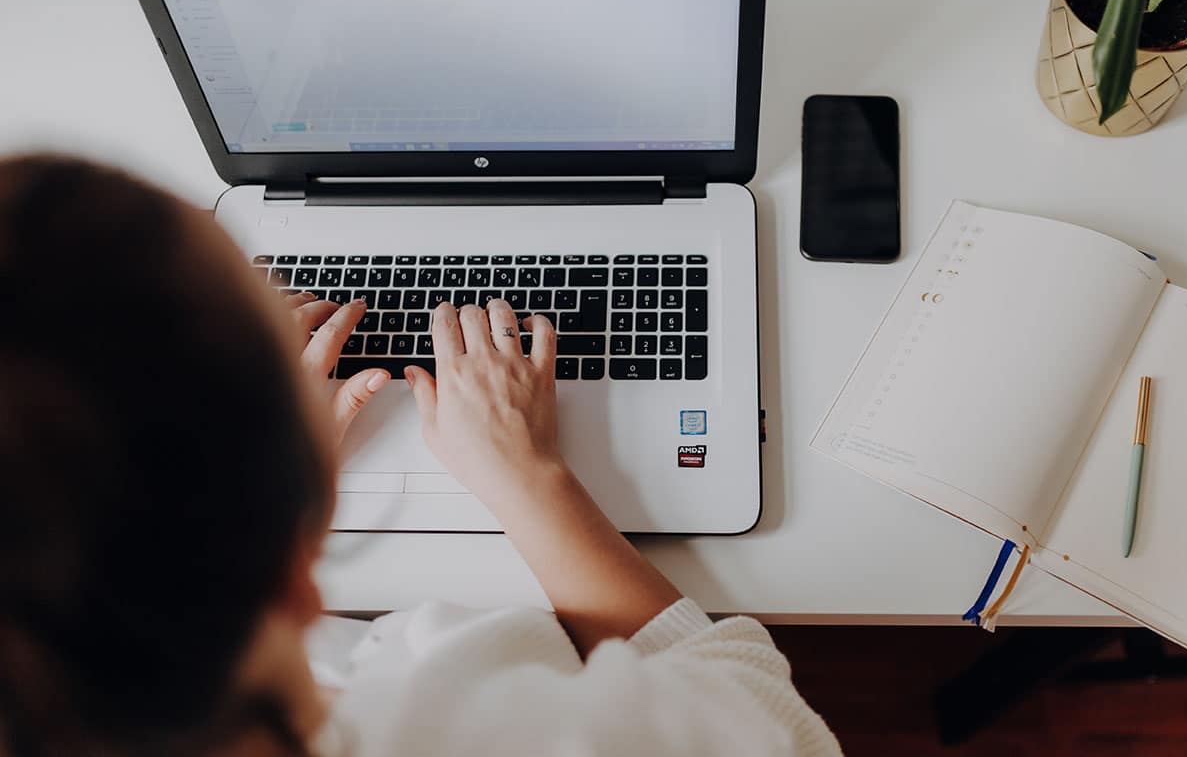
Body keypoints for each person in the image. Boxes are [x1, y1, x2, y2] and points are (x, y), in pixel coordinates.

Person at [0, 155, 840, 757]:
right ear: (296, 572)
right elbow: (771, 717)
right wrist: (528, 478)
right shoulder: (487, 712)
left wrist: (242, 475)